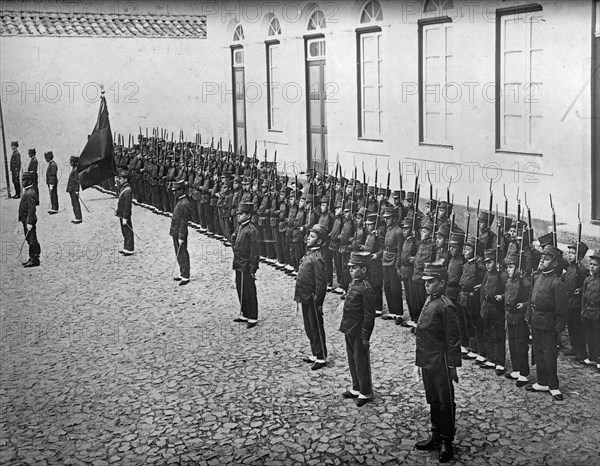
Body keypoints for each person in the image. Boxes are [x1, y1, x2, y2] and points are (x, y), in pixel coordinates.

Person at [414, 261, 461, 463]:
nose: (426, 285)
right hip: (427, 360)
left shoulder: (446, 306)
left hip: (440, 362)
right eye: (425, 281)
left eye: (431, 281)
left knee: (445, 402)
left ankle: (446, 441)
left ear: (442, 283)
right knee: (432, 398)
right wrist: (418, 361)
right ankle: (435, 435)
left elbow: (453, 339)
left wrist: (451, 366)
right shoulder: (429, 301)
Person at [524, 245, 569, 401]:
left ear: (555, 263)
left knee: (549, 354)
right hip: (535, 321)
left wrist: (558, 330)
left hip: (549, 324)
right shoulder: (537, 277)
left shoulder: (558, 284)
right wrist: (528, 317)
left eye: (547, 259)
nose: (542, 261)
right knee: (537, 352)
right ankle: (542, 381)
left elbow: (562, 311)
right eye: (542, 258)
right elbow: (531, 299)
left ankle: (553, 385)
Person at [339, 251, 376, 407]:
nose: (351, 270)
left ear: (364, 270)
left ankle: (365, 391)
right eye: (350, 267)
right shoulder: (353, 284)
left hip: (359, 331)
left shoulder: (366, 289)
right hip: (349, 328)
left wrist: (365, 336)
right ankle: (356, 387)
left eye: (354, 267)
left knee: (361, 361)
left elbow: (369, 316)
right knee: (352, 360)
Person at [294, 224, 329, 370]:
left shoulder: (318, 258)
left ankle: (321, 357)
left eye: (312, 237)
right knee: (309, 326)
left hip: (312, 298)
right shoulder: (309, 254)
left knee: (316, 327)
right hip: (305, 296)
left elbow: (321, 283)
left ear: (320, 241)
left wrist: (318, 301)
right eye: (309, 236)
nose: (308, 238)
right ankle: (315, 352)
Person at [503, 251, 531, 387]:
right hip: (510, 316)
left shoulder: (525, 283)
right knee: (512, 344)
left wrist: (524, 305)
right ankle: (516, 369)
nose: (508, 270)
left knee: (521, 345)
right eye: (507, 267)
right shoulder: (508, 280)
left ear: (518, 268)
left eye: (511, 267)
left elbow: (532, 299)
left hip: (520, 318)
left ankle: (524, 373)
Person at [232, 202, 260, 328]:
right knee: (240, 288)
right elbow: (235, 240)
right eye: (238, 213)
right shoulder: (240, 227)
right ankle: (245, 313)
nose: (238, 216)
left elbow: (254, 252)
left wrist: (253, 268)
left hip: (247, 265)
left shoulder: (251, 230)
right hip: (238, 262)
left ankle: (253, 316)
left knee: (249, 291)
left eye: (241, 214)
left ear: (248, 215)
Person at [479, 249, 507, 374]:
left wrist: (503, 296)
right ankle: (491, 358)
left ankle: (500, 362)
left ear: (496, 262)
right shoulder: (486, 274)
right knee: (487, 333)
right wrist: (482, 306)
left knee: (498, 335)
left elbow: (510, 291)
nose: (487, 265)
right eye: (486, 263)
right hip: (487, 307)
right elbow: (482, 291)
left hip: (497, 308)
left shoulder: (502, 275)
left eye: (490, 262)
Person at [562, 241, 590, 361]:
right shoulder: (569, 268)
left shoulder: (582, 270)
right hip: (568, 303)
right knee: (571, 327)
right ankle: (574, 348)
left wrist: (581, 289)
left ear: (580, 257)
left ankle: (581, 352)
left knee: (578, 328)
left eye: (573, 253)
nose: (569, 255)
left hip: (577, 304)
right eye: (569, 253)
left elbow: (589, 283)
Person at [580, 253, 600, 372]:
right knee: (590, 336)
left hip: (597, 313)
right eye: (591, 264)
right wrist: (583, 310)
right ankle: (592, 356)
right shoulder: (588, 279)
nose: (592, 267)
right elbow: (584, 296)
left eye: (595, 265)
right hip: (588, 311)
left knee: (597, 336)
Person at [170, 180, 192, 285]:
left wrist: (181, 236)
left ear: (182, 190)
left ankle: (185, 275)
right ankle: (182, 272)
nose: (174, 193)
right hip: (176, 231)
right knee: (179, 253)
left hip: (180, 232)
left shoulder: (184, 203)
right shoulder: (180, 201)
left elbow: (184, 221)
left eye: (176, 191)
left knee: (182, 253)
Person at [18, 172, 41, 267]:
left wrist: (30, 222)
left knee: (32, 239)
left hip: (29, 220)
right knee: (28, 238)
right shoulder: (28, 191)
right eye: (22, 180)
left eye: (24, 180)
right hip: (25, 219)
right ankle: (32, 257)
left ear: (30, 181)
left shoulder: (29, 193)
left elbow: (32, 209)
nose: (22, 182)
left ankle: (35, 258)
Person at [116, 169, 135, 256]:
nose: (120, 180)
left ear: (125, 179)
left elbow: (127, 205)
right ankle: (126, 247)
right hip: (121, 213)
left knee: (128, 231)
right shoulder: (123, 188)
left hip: (125, 215)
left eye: (121, 179)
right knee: (124, 231)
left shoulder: (127, 190)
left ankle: (130, 248)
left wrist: (125, 217)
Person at [66, 156, 82, 224]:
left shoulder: (75, 170)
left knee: (75, 204)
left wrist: (76, 190)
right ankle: (77, 217)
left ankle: (78, 218)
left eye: (71, 161)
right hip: (71, 189)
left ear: (75, 162)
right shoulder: (74, 169)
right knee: (74, 203)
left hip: (73, 189)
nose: (70, 163)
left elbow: (76, 181)